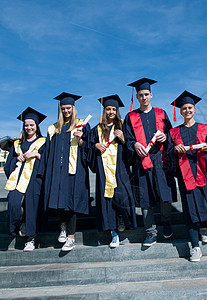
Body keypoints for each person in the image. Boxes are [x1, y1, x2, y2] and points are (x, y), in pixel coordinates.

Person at [167, 90, 207, 262]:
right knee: (191, 210)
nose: (187, 110)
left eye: (190, 107)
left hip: (204, 172)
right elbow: (168, 155)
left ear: (195, 109)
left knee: (206, 203)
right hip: (186, 175)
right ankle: (195, 246)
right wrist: (174, 151)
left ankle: (204, 228)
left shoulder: (205, 129)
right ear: (180, 111)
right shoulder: (174, 133)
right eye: (184, 108)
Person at [123, 78, 176, 247]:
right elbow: (128, 140)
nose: (144, 97)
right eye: (140, 95)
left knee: (164, 195)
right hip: (141, 162)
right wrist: (134, 144)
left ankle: (166, 222)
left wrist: (166, 137)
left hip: (161, 161)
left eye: (146, 94)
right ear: (137, 97)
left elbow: (171, 135)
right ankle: (151, 232)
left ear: (151, 95)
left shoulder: (161, 113)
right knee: (145, 198)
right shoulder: (130, 117)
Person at [41, 92, 90, 251]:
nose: (66, 111)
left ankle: (71, 237)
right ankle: (62, 225)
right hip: (56, 169)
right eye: (63, 108)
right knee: (56, 199)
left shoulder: (82, 125)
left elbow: (89, 148)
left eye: (68, 108)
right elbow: (48, 151)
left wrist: (81, 139)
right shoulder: (53, 128)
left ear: (73, 108)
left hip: (74, 170)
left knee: (71, 202)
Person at [87, 95, 137, 248]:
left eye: (113, 109)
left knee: (123, 195)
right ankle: (113, 233)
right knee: (107, 200)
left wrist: (123, 139)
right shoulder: (97, 129)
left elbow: (131, 145)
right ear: (104, 111)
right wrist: (95, 146)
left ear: (117, 111)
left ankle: (122, 216)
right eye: (108, 109)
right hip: (103, 170)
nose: (110, 112)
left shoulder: (122, 126)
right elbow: (88, 148)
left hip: (120, 167)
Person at [4, 107, 47, 251]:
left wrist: (36, 155)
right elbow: (8, 165)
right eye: (26, 125)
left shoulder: (43, 142)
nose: (29, 127)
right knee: (14, 202)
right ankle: (18, 224)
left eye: (32, 125)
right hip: (18, 180)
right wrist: (18, 158)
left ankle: (31, 239)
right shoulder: (17, 144)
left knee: (32, 208)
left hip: (35, 179)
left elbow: (47, 160)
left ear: (37, 126)